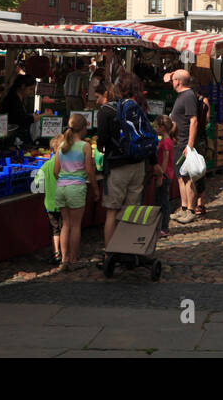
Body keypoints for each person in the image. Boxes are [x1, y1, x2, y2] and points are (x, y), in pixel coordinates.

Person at [97, 72, 156, 254]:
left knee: (112, 212)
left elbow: (103, 141)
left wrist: (102, 147)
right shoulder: (138, 107)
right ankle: (129, 249)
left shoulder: (106, 111)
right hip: (138, 164)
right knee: (132, 210)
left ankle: (110, 252)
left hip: (116, 167)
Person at [53, 113, 99, 270]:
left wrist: (64, 179)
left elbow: (55, 171)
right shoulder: (85, 146)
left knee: (65, 224)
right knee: (76, 225)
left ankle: (64, 259)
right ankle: (73, 259)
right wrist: (95, 187)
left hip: (61, 187)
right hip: (76, 187)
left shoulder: (61, 146)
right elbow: (89, 170)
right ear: (84, 127)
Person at [169, 69, 202, 225]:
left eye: (173, 79)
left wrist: (189, 144)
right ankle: (183, 207)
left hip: (183, 142)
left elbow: (193, 121)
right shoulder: (182, 95)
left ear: (179, 81)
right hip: (178, 141)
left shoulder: (188, 96)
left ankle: (190, 209)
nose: (172, 82)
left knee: (187, 177)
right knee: (180, 176)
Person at [38, 133, 65, 265]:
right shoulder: (66, 164)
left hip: (50, 203)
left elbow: (37, 183)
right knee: (65, 227)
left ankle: (56, 253)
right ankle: (67, 254)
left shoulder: (46, 165)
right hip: (65, 202)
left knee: (55, 229)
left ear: (52, 150)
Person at [0, 74, 40, 147]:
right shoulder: (13, 99)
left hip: (13, 135)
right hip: (8, 136)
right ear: (23, 86)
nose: (32, 92)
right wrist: (42, 115)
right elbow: (21, 119)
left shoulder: (19, 98)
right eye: (30, 89)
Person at [153, 115, 176, 237]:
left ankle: (164, 227)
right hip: (166, 174)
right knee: (161, 201)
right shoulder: (165, 140)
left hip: (165, 175)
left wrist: (161, 176)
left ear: (162, 127)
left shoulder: (166, 141)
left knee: (163, 202)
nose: (155, 129)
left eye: (156, 126)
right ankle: (161, 226)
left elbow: (165, 160)